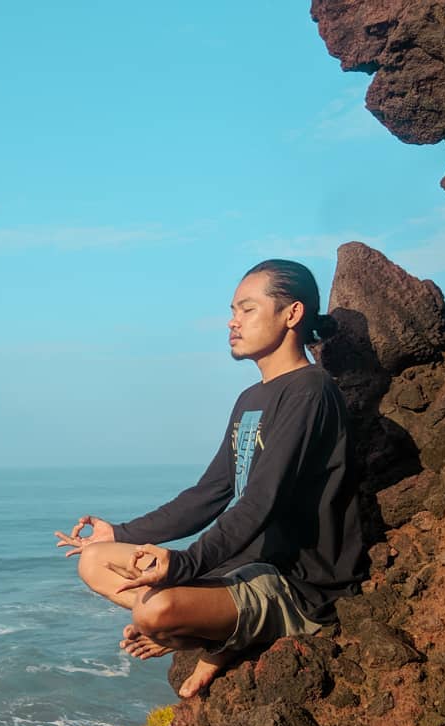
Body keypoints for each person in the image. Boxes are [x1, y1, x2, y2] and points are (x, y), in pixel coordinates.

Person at [55, 259, 366, 699]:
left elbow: (261, 502)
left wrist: (182, 565)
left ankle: (217, 640)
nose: (232, 321)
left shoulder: (310, 391)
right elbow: (212, 492)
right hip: (243, 566)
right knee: (94, 560)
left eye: (247, 309)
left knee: (155, 612)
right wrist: (120, 532)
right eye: (233, 311)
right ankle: (211, 632)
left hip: (296, 582)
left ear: (292, 314)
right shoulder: (250, 398)